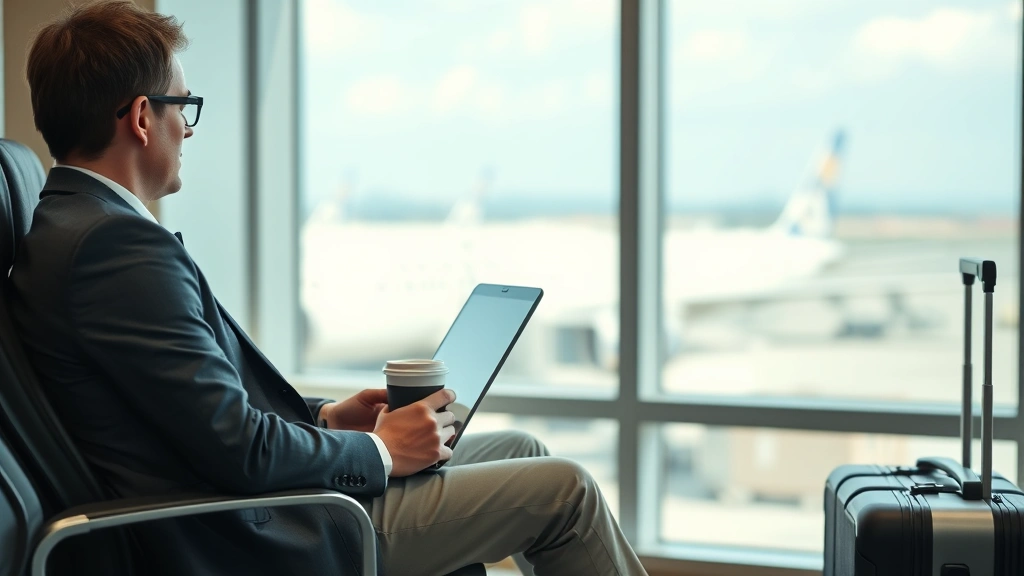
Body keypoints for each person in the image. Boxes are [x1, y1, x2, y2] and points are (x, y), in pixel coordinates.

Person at [9, 2, 648, 575]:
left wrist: (326, 418)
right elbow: (239, 450)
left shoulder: (76, 225)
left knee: (522, 448)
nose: (191, 129)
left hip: (240, 500)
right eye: (186, 107)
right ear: (144, 118)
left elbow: (195, 414)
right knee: (565, 490)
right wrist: (377, 449)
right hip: (254, 530)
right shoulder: (116, 248)